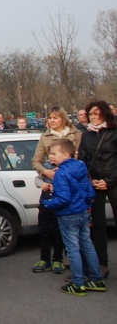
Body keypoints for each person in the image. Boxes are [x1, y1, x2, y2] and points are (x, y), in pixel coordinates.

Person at [42, 138, 107, 295]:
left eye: (54, 153)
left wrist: (47, 203)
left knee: (73, 249)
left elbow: (64, 198)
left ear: (66, 154)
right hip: (82, 212)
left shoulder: (61, 174)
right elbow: (90, 192)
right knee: (87, 245)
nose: (51, 156)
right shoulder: (81, 167)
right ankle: (96, 279)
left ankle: (78, 283)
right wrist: (86, 207)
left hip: (68, 215)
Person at [31, 107, 81, 274]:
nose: (51, 120)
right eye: (49, 118)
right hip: (49, 184)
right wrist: (46, 172)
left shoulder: (75, 135)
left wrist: (65, 171)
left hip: (69, 184)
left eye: (55, 117)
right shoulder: (45, 137)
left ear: (63, 119)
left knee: (60, 225)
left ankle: (58, 258)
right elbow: (36, 161)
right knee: (44, 224)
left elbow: (81, 159)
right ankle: (44, 258)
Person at [78, 99, 117, 279]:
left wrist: (109, 181)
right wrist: (91, 180)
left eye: (96, 114)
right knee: (98, 225)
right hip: (94, 183)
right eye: (91, 114)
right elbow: (83, 160)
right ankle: (102, 264)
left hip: (113, 181)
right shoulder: (86, 135)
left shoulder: (113, 132)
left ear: (104, 115)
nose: (93, 117)